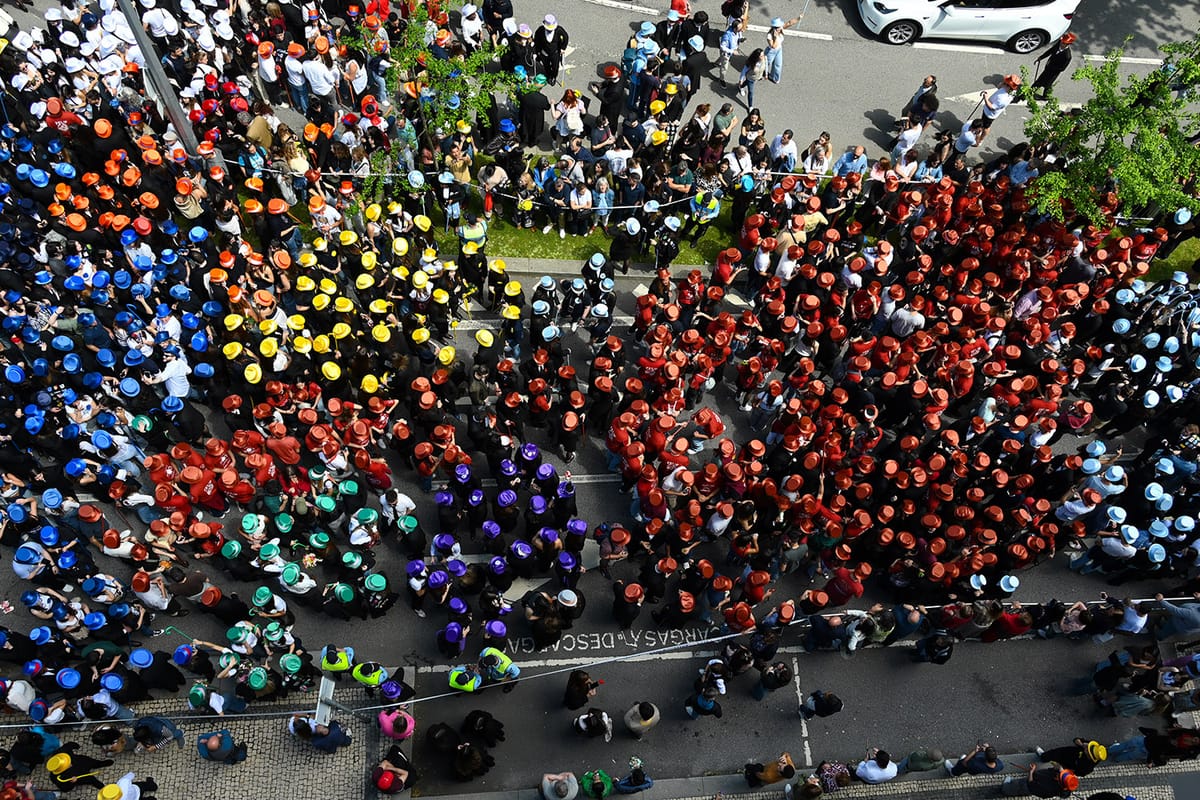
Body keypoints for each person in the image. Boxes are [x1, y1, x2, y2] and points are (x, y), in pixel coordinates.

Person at [1032, 34, 1076, 98]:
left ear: (1068, 44)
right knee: (1039, 81)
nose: (1061, 44)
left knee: (1047, 85)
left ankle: (1045, 97)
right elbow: (1050, 51)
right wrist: (1041, 57)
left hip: (1053, 73)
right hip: (1047, 68)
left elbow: (1062, 68)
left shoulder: (1067, 56)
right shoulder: (1058, 44)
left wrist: (1051, 68)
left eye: (1064, 43)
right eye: (1062, 42)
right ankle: (1030, 92)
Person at [763, 16, 803, 84]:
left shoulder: (780, 29)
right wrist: (775, 38)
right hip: (771, 52)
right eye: (778, 27)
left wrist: (798, 18)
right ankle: (759, 72)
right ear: (774, 28)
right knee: (765, 64)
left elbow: (789, 23)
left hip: (779, 50)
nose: (780, 28)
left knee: (778, 65)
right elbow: (773, 46)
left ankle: (775, 78)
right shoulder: (769, 36)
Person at [1000, 764, 1078, 798]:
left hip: (1028, 785)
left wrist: (1031, 772)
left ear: (1059, 781)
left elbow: (1031, 784)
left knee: (1017, 786)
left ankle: (1006, 789)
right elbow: (1056, 767)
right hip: (1034, 784)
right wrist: (1059, 768)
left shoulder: (1048, 788)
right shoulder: (1061, 786)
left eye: (1062, 775)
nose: (1061, 772)